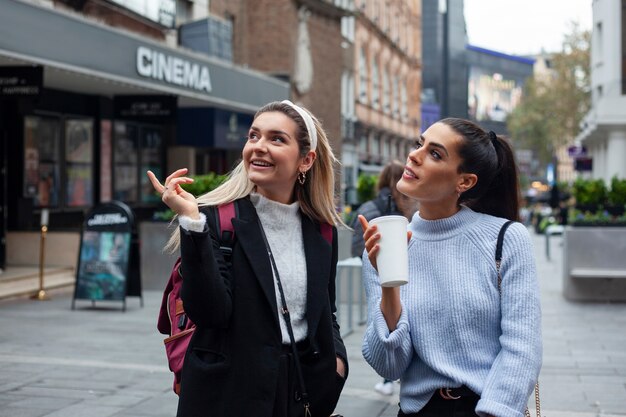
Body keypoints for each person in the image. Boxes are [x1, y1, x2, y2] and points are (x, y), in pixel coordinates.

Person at [147, 100, 348, 417]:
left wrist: (336, 362)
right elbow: (210, 312)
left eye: (277, 139)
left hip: (299, 394)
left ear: (306, 160)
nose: (259, 147)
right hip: (227, 396)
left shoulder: (321, 230)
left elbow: (326, 309)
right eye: (254, 136)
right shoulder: (216, 220)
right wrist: (191, 222)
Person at [358, 118, 542, 417]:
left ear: (465, 181)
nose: (414, 155)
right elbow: (389, 365)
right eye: (419, 143)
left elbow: (523, 345)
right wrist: (388, 283)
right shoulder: (384, 246)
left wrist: (497, 411)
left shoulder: (506, 238)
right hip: (418, 410)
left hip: (489, 409)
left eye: (435, 153)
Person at [350, 160, 417, 396]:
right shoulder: (412, 209)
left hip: (376, 268)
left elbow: (357, 244)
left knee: (384, 322)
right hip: (410, 274)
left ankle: (388, 380)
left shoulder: (369, 208)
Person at [351, 160, 417, 259]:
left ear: (381, 180)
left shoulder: (366, 209)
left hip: (372, 270)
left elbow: (356, 248)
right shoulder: (414, 210)